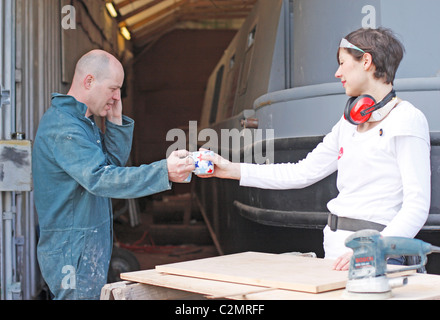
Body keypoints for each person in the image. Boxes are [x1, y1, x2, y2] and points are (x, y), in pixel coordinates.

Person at [199, 27, 431, 271]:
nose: (337, 72)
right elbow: (302, 172)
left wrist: (376, 249)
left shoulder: (407, 119)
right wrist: (230, 169)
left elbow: (416, 205)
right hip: (336, 253)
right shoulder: (348, 124)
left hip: (376, 257)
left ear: (366, 61)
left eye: (342, 63)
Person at [32, 49, 194, 300]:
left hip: (85, 248)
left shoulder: (83, 122)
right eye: (113, 88)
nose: (118, 96)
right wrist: (164, 171)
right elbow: (101, 178)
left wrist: (116, 122)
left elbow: (110, 165)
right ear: (89, 81)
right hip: (72, 254)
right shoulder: (64, 127)